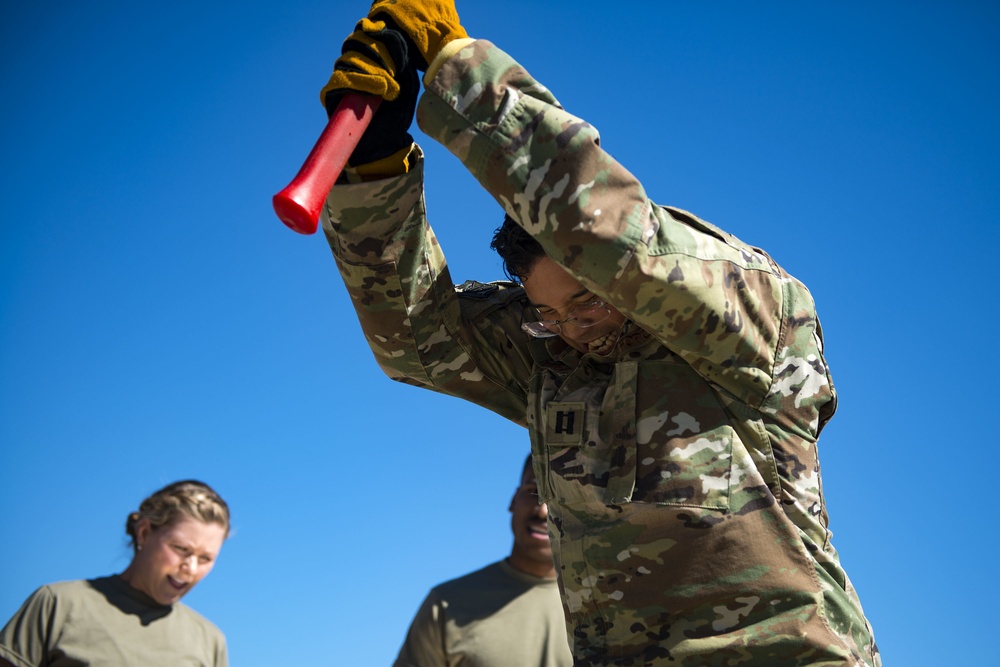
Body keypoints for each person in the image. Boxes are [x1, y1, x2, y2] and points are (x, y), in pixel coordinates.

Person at [315, 2, 880, 664]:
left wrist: (454, 65)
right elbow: (416, 337)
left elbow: (610, 236)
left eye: (586, 302)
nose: (571, 330)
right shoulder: (554, 358)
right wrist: (373, 160)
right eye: (547, 313)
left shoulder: (747, 319)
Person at [0, 480, 230, 667]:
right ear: (144, 533)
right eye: (181, 549)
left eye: (205, 559)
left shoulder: (210, 642)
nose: (190, 568)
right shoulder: (58, 604)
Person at [394, 455, 572, 667]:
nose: (543, 511)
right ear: (513, 500)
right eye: (533, 491)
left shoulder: (612, 610)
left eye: (564, 498)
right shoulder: (446, 604)